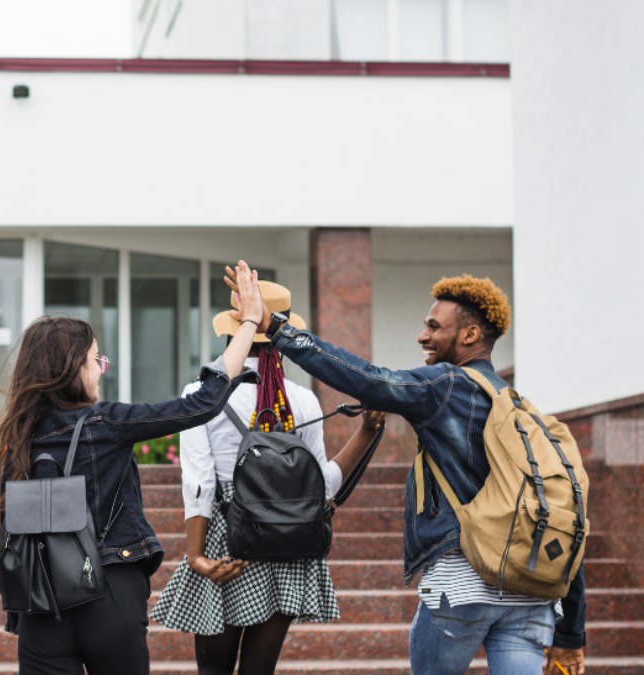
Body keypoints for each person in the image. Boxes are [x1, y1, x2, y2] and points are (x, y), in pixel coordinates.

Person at [226, 269, 587, 675]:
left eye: (434, 326)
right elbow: (558, 513)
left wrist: (274, 326)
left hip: (462, 586)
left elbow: (367, 378)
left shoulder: (446, 384)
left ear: (469, 336)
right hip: (533, 598)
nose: (422, 336)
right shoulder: (523, 411)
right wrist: (571, 634)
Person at [0, 262, 267, 675]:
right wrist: (250, 322)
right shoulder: (105, 423)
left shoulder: (18, 436)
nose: (102, 370)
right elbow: (201, 404)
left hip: (40, 602)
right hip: (108, 588)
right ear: (74, 366)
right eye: (98, 360)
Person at [151, 281, 384, 675]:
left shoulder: (201, 394)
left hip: (228, 538)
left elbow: (200, 485)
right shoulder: (303, 399)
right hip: (288, 540)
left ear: (232, 331)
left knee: (214, 670)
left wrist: (195, 555)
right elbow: (321, 488)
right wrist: (364, 434)